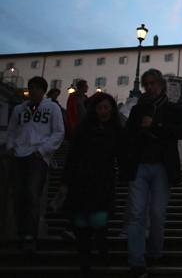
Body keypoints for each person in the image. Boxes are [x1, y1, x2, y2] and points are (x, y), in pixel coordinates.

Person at [124, 69, 182, 278]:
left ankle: (154, 253)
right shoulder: (137, 110)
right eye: (147, 84)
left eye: (153, 83)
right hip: (139, 166)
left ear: (161, 85)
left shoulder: (173, 109)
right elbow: (127, 135)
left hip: (162, 166)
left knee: (157, 215)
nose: (150, 87)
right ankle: (136, 259)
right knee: (136, 215)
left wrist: (156, 125)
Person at [56, 93, 126, 277]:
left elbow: (122, 156)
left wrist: (127, 174)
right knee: (80, 225)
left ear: (111, 109)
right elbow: (71, 157)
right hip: (80, 181)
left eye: (106, 108)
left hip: (103, 181)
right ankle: (84, 263)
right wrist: (64, 182)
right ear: (94, 109)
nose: (103, 111)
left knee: (99, 220)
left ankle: (102, 247)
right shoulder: (82, 129)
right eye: (100, 108)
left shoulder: (117, 131)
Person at [6, 76, 65, 250]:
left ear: (43, 91)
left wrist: (43, 151)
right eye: (31, 88)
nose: (34, 91)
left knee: (32, 195)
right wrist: (11, 147)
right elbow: (12, 131)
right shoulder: (19, 109)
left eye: (38, 88)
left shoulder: (52, 108)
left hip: (38, 156)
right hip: (19, 154)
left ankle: (30, 235)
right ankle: (20, 232)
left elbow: (59, 132)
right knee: (18, 196)